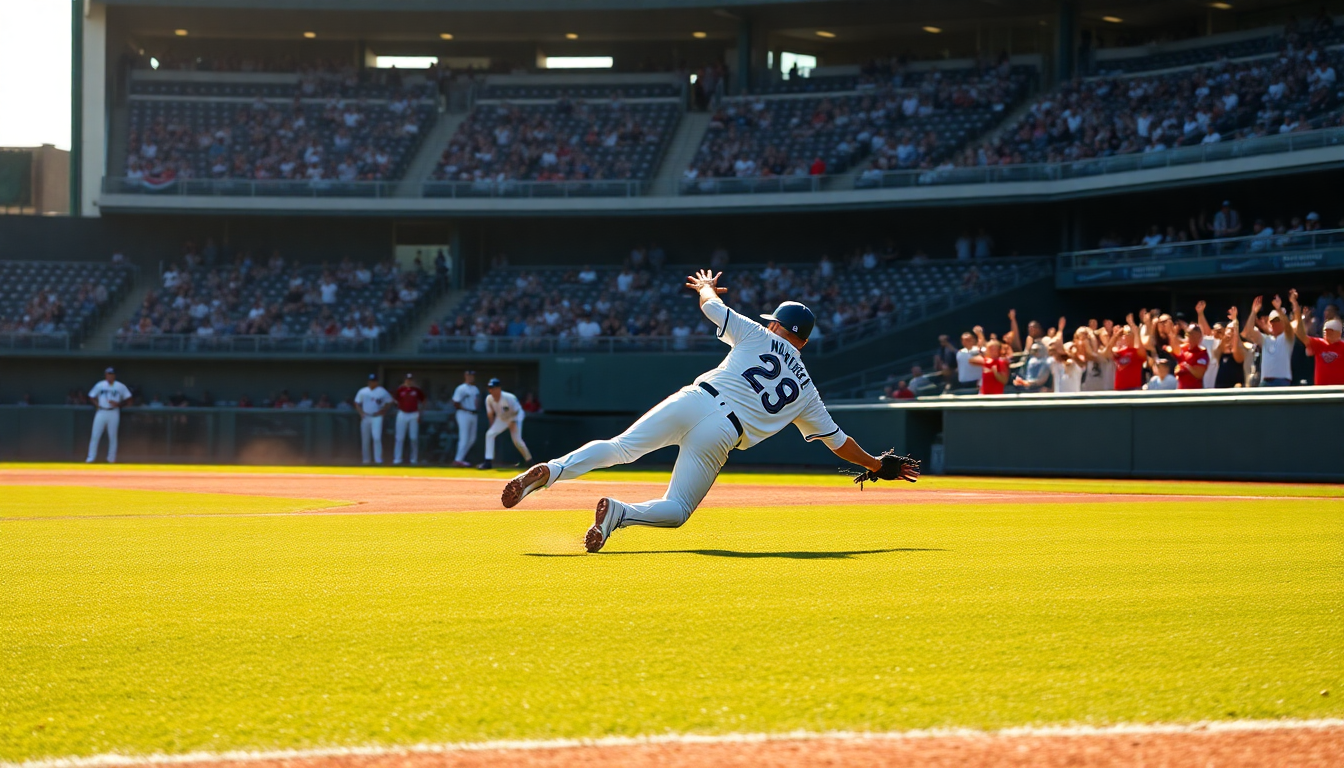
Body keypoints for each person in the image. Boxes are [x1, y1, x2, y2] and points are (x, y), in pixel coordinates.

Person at [500, 269, 918, 553]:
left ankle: (551, 471)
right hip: (723, 433)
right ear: (803, 342)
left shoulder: (755, 334)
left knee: (620, 447)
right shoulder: (807, 389)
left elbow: (711, 307)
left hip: (696, 397)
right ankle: (620, 513)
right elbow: (838, 443)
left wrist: (706, 286)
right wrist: (876, 465)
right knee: (677, 509)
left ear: (776, 327)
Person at [1291, 292, 1344, 386]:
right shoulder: (1319, 344)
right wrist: (1297, 312)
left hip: (1340, 393)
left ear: (1338, 333)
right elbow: (1300, 334)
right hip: (1321, 392)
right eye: (1325, 330)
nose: (1326, 333)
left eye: (1330, 331)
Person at [1243, 294, 1296, 386]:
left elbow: (1288, 328)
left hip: (1282, 382)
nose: (1274, 324)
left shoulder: (1287, 338)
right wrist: (1253, 312)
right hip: (1265, 382)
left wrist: (1279, 309)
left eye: (1277, 321)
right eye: (1272, 321)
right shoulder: (1265, 339)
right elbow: (1249, 332)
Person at [479, 378, 533, 470]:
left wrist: (513, 423)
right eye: (490, 388)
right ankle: (488, 462)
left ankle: (530, 461)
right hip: (501, 418)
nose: (492, 390)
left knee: (517, 441)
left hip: (515, 417)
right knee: (490, 434)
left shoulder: (509, 397)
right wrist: (492, 427)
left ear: (499, 388)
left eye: (494, 388)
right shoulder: (489, 399)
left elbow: (516, 412)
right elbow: (490, 414)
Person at [87, 367, 132, 463]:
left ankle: (111, 459)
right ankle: (91, 458)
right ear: (105, 375)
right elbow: (91, 396)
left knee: (112, 436)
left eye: (111, 374)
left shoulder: (120, 386)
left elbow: (129, 400)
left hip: (113, 411)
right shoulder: (100, 385)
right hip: (101, 411)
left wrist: (119, 404)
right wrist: (96, 404)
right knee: (95, 435)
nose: (109, 376)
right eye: (107, 374)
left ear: (114, 375)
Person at [354, 373, 393, 465]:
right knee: (365, 439)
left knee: (377, 438)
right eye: (371, 381)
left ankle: (378, 459)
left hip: (377, 417)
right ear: (368, 381)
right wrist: (361, 413)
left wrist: (383, 411)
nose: (372, 383)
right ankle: (366, 460)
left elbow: (389, 401)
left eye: (374, 381)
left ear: (377, 382)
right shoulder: (363, 391)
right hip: (366, 416)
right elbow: (356, 403)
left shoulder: (381, 391)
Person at [393, 373, 427, 465]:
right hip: (402, 413)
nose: (409, 381)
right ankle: (397, 459)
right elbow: (395, 400)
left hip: (414, 413)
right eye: (407, 379)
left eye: (410, 379)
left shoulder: (417, 390)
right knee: (399, 438)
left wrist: (420, 412)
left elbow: (423, 401)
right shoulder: (400, 389)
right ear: (405, 380)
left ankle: (414, 459)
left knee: (413, 438)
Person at [451, 370, 481, 467]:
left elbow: (477, 401)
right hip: (463, 413)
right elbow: (455, 402)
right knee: (464, 438)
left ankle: (460, 459)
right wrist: (466, 408)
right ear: (465, 376)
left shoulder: (475, 389)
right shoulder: (461, 388)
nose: (470, 377)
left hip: (473, 414)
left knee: (472, 439)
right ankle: (458, 459)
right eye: (468, 375)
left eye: (472, 375)